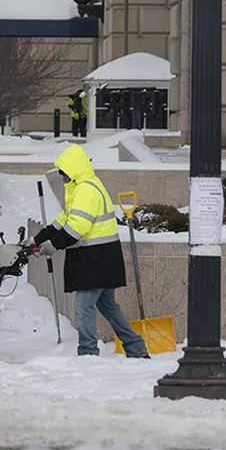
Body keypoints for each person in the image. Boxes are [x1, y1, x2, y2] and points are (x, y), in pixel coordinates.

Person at [32, 144, 149, 358]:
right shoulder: (84, 188)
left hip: (95, 259)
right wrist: (38, 238)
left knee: (83, 307)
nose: (63, 178)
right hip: (104, 258)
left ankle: (87, 352)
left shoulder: (86, 190)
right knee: (108, 306)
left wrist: (53, 246)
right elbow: (64, 220)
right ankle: (136, 348)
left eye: (65, 174)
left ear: (74, 170)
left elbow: (76, 227)